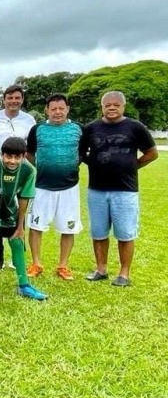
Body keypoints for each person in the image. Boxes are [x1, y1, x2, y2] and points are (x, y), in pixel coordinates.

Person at [81, 91, 158, 287]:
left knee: (125, 233)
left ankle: (124, 274)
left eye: (116, 105)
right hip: (97, 190)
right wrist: (95, 163)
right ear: (102, 107)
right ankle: (101, 269)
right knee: (98, 232)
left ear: (123, 106)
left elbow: (152, 153)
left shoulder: (135, 127)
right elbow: (81, 153)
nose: (112, 108)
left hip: (125, 190)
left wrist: (132, 166)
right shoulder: (91, 128)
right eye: (108, 105)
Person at [26, 93, 84, 280]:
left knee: (68, 228)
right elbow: (29, 154)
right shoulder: (37, 129)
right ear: (47, 110)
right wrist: (45, 167)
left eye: (61, 108)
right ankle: (36, 263)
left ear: (68, 109)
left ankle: (63, 266)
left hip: (69, 187)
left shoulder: (78, 129)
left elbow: (82, 154)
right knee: (35, 226)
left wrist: (67, 166)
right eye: (53, 109)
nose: (57, 112)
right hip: (42, 187)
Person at [0, 137, 48, 300]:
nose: (12, 161)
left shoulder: (29, 171)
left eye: (17, 157)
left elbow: (24, 199)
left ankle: (24, 286)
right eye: (8, 156)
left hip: (13, 214)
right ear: (2, 154)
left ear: (24, 156)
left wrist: (20, 227)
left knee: (18, 243)